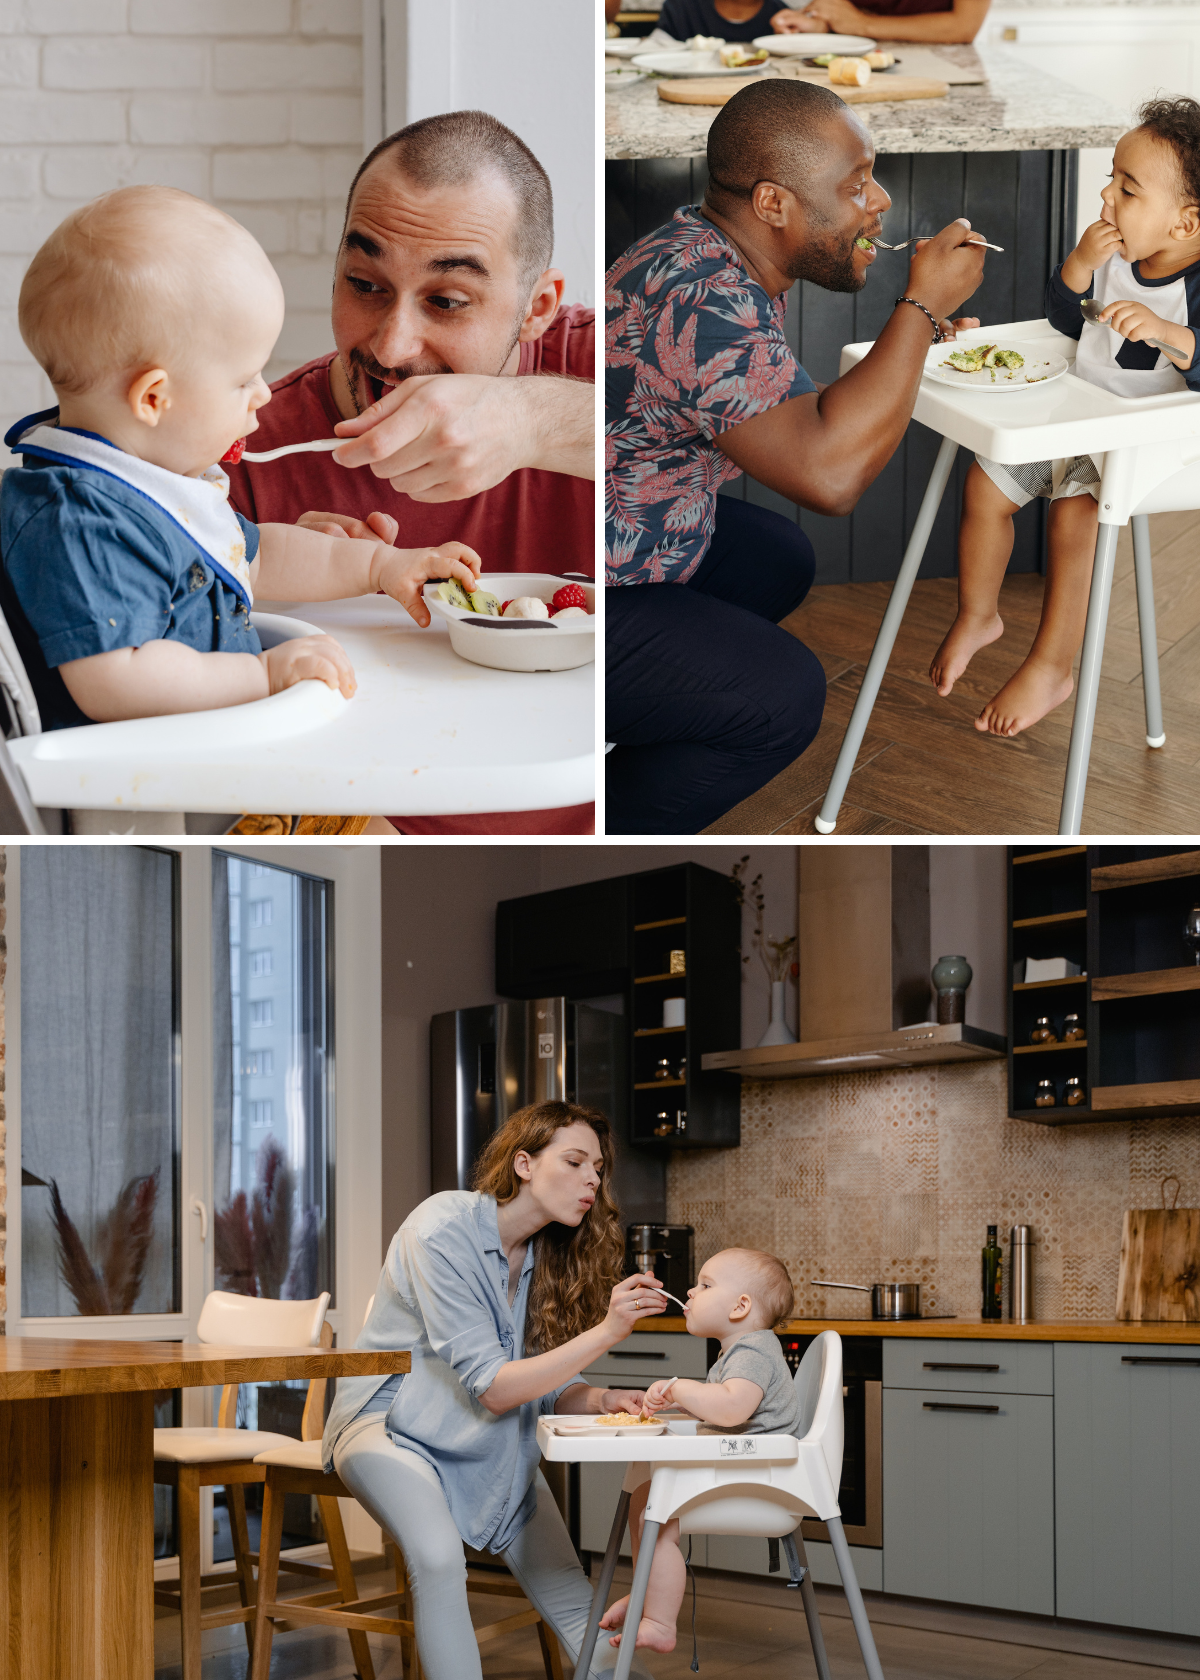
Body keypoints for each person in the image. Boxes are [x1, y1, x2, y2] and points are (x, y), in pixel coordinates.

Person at [605, 77, 986, 833]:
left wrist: (916, 341)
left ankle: (646, 709)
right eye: (855, 185)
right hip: (591, 579)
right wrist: (918, 310)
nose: (878, 202)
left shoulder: (711, 247)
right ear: (773, 203)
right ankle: (600, 812)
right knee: (784, 696)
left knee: (779, 556)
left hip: (642, 526)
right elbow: (829, 474)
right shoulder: (701, 295)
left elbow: (794, 410)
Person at [223, 110, 595, 837]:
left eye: (446, 302)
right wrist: (274, 592)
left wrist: (531, 424)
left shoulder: (598, 364)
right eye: (364, 284)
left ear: (537, 308)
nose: (391, 346)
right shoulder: (240, 453)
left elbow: (730, 444)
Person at [0, 186, 480, 733]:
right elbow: (115, 682)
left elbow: (260, 555)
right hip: (155, 804)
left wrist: (381, 567)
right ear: (154, 399)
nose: (264, 394)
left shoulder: (154, 485)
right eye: (242, 379)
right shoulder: (81, 518)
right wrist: (264, 677)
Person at [323, 1102, 669, 1680]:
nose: (593, 1180)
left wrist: (602, 1398)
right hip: (388, 1426)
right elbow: (495, 1389)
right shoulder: (440, 1228)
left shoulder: (549, 1257)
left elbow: (546, 1382)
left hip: (485, 1437)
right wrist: (608, 1330)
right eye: (576, 1161)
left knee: (569, 1590)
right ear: (525, 1163)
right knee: (437, 1559)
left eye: (600, 1169)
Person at [929, 98, 1200, 739]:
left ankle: (1053, 665)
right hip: (1076, 416)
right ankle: (978, 613)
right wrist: (1077, 269)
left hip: (1148, 443)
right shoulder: (1111, 252)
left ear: (1187, 225)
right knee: (986, 483)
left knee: (1075, 509)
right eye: (1111, 177)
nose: (1106, 196)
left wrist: (1171, 334)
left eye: (1128, 190)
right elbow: (1064, 322)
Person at [599, 1248, 800, 1654]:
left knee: (655, 1513)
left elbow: (731, 1408)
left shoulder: (754, 1351)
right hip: (742, 1467)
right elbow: (729, 1407)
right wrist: (682, 1403)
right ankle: (647, 1595)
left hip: (758, 1479)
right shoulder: (738, 1352)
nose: (690, 1291)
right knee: (645, 1496)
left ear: (741, 1306)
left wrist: (679, 1387)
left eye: (706, 1285)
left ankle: (659, 1620)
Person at [769, 0, 990, 44]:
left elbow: (964, 26)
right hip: (853, 53)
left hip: (944, 60)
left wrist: (862, 24)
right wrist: (819, 23)